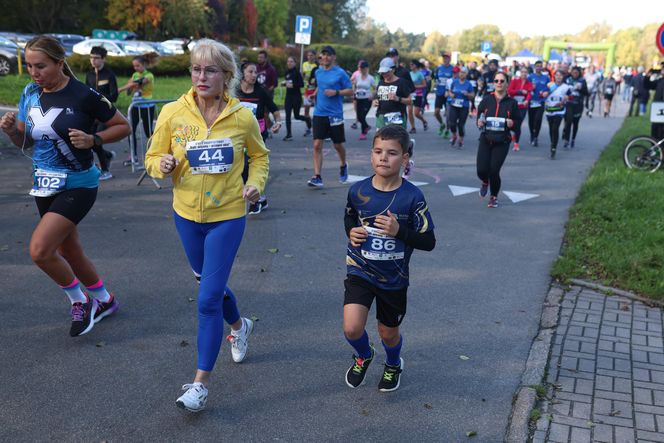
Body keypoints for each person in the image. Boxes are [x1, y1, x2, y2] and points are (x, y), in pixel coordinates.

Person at [144, 39, 269, 413]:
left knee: (207, 299)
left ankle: (199, 384)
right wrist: (160, 165)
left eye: (210, 70)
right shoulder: (172, 113)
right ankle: (240, 326)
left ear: (226, 75)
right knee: (209, 283)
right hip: (185, 216)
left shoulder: (242, 116)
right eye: (196, 69)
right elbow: (152, 157)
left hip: (228, 216)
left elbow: (260, 157)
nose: (201, 76)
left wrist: (255, 185)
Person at [0, 36, 130, 336]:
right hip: (44, 184)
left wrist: (94, 139)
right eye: (30, 66)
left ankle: (79, 300)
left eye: (41, 66)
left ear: (60, 63)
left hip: (78, 183)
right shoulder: (29, 93)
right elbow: (24, 141)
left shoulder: (84, 95)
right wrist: (10, 132)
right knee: (70, 252)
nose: (35, 72)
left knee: (40, 251)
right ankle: (105, 300)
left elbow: (122, 125)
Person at [343, 124, 435, 392]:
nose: (384, 158)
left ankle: (393, 362)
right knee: (351, 328)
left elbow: (429, 241)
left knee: (388, 333)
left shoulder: (413, 197)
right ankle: (364, 354)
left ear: (405, 159)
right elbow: (349, 215)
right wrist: (352, 232)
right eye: (378, 151)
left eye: (392, 153)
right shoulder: (358, 191)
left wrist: (399, 231)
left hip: (394, 279)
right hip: (359, 269)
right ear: (371, 155)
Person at [237, 61, 281, 215]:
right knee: (240, 167)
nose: (254, 75)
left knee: (250, 167)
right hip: (238, 135)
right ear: (242, 73)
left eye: (256, 72)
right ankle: (261, 198)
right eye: (250, 72)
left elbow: (275, 110)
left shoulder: (261, 92)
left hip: (257, 135)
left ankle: (256, 201)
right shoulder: (234, 92)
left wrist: (278, 122)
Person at [307, 45, 353, 188]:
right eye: (323, 55)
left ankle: (343, 164)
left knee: (337, 145)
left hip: (335, 114)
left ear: (333, 57)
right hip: (319, 113)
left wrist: (336, 92)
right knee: (316, 145)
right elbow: (321, 86)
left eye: (328, 55)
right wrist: (315, 93)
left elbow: (351, 91)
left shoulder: (340, 73)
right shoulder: (318, 72)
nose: (325, 57)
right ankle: (317, 176)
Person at [476, 71, 520, 208]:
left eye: (502, 81)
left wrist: (512, 123)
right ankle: (485, 181)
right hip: (486, 138)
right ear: (493, 83)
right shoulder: (486, 100)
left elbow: (517, 122)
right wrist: (479, 122)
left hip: (502, 141)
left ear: (507, 84)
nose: (499, 83)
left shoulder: (512, 103)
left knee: (494, 170)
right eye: (496, 81)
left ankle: (493, 196)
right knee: (482, 170)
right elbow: (480, 116)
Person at [374, 57, 413, 178]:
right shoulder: (380, 82)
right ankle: (387, 170)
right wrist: (375, 101)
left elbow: (410, 101)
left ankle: (407, 162)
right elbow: (378, 97)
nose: (384, 74)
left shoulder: (401, 83)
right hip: (381, 116)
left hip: (397, 116)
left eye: (386, 72)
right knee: (382, 143)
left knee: (397, 144)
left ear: (393, 70)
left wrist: (398, 99)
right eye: (382, 72)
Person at [118, 53, 158, 165]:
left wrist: (120, 89)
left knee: (148, 131)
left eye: (138, 65)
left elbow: (139, 82)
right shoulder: (134, 74)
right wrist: (129, 88)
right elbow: (129, 91)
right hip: (135, 106)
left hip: (147, 106)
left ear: (144, 65)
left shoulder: (149, 75)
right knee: (131, 130)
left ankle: (156, 153)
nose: (136, 68)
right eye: (134, 66)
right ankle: (133, 156)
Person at [85, 46, 118, 180]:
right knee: (89, 141)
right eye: (91, 57)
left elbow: (114, 96)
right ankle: (108, 155)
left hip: (105, 114)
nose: (93, 61)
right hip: (91, 114)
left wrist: (99, 98)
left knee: (96, 140)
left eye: (97, 58)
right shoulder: (89, 74)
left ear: (103, 59)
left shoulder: (109, 74)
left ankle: (105, 170)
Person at [545, 70, 573, 159]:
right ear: (554, 76)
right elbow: (542, 94)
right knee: (551, 129)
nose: (558, 77)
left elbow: (571, 96)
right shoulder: (549, 85)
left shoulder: (566, 87)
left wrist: (567, 98)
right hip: (549, 110)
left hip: (559, 111)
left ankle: (553, 148)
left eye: (560, 75)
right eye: (557, 75)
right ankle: (552, 143)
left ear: (563, 77)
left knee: (555, 128)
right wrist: (544, 93)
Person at [282, 56, 310, 141]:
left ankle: (307, 119)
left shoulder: (297, 73)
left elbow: (301, 84)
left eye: (291, 62)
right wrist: (284, 84)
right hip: (288, 97)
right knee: (287, 116)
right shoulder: (287, 72)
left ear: (295, 63)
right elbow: (287, 82)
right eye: (288, 61)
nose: (289, 63)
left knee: (297, 116)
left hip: (296, 97)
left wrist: (293, 85)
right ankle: (289, 134)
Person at [446, 66, 475, 148]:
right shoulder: (454, 82)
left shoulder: (468, 84)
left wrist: (468, 94)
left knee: (461, 125)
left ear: (466, 74)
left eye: (463, 73)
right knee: (452, 123)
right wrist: (451, 95)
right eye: (461, 72)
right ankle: (454, 135)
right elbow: (450, 91)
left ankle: (461, 139)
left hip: (464, 106)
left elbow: (473, 95)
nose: (462, 74)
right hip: (454, 105)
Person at [507, 66, 533, 151]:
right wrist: (519, 91)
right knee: (511, 122)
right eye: (522, 72)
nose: (524, 74)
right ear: (520, 73)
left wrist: (526, 100)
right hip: (513, 106)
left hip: (522, 106)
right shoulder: (514, 81)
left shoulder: (529, 83)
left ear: (527, 74)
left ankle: (516, 144)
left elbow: (529, 94)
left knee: (518, 124)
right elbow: (509, 91)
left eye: (525, 72)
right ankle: (513, 134)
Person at [562, 66, 588, 149]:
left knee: (575, 123)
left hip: (578, 104)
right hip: (569, 103)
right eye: (573, 72)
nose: (575, 74)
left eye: (576, 73)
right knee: (568, 121)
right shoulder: (567, 79)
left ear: (579, 73)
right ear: (571, 72)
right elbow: (562, 89)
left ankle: (573, 139)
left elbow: (586, 93)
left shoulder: (582, 81)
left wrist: (581, 89)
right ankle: (566, 140)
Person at [527, 61, 550, 146]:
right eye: (537, 66)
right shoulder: (530, 77)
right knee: (531, 120)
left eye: (540, 66)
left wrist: (546, 92)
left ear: (542, 67)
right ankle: (532, 135)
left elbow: (549, 88)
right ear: (534, 67)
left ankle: (536, 136)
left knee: (538, 119)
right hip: (532, 101)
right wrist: (531, 88)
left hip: (541, 102)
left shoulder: (546, 78)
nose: (539, 68)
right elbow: (526, 87)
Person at [256, 50, 278, 133]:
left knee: (265, 113)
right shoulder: (256, 68)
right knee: (260, 114)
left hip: (268, 94)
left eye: (261, 57)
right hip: (258, 94)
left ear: (266, 58)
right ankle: (269, 125)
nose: (259, 59)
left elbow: (274, 83)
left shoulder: (271, 69)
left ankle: (263, 130)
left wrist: (268, 92)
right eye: (258, 57)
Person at [352, 60, 375, 140]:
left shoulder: (370, 78)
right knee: (359, 116)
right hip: (359, 99)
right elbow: (354, 85)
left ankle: (363, 133)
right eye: (360, 68)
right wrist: (354, 92)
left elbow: (375, 88)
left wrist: (372, 95)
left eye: (363, 68)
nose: (362, 70)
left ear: (367, 68)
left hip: (367, 100)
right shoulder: (357, 77)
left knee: (362, 116)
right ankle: (367, 126)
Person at [433, 51, 454, 137]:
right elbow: (436, 78)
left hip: (448, 94)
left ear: (450, 59)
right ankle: (442, 124)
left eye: (447, 58)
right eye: (444, 58)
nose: (445, 59)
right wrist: (435, 84)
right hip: (439, 93)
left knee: (448, 114)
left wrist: (449, 91)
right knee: (436, 112)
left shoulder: (453, 69)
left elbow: (455, 82)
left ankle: (448, 130)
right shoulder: (438, 68)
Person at [644, 62, 664, 140]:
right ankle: (656, 149)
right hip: (658, 111)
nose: (661, 70)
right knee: (655, 132)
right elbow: (648, 85)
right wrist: (647, 76)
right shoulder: (660, 80)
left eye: (663, 68)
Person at [408, 59, 428, 133]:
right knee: (409, 111)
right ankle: (413, 128)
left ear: (415, 65)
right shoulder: (409, 73)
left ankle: (424, 121)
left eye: (412, 64)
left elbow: (424, 85)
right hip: (410, 94)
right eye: (410, 65)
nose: (410, 66)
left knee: (416, 113)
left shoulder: (420, 74)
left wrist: (415, 86)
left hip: (418, 94)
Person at [302, 50, 318, 136]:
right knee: (306, 112)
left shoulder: (317, 66)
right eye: (308, 55)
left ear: (314, 56)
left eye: (311, 55)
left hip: (316, 91)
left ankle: (318, 128)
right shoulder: (304, 64)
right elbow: (303, 76)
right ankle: (308, 128)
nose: (309, 57)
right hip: (307, 90)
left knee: (317, 111)